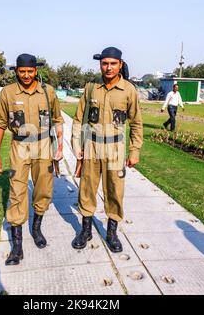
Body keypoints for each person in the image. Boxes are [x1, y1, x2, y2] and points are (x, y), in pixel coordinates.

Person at [0, 54, 64, 265]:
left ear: (36, 71)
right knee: (17, 190)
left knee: (43, 189)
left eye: (29, 71)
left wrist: (59, 147)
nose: (25, 75)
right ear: (16, 71)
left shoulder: (48, 91)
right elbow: (0, 124)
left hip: (43, 144)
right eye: (21, 71)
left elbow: (58, 119)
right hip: (20, 145)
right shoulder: (8, 93)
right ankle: (17, 246)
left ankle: (36, 227)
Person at [71, 47, 143, 253]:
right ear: (100, 65)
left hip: (115, 147)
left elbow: (136, 123)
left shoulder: (129, 90)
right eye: (105, 63)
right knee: (87, 189)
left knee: (114, 190)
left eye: (113, 63)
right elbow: (79, 119)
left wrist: (135, 150)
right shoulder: (91, 88)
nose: (108, 67)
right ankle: (86, 230)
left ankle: (112, 232)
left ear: (120, 64)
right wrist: (77, 145)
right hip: (92, 145)